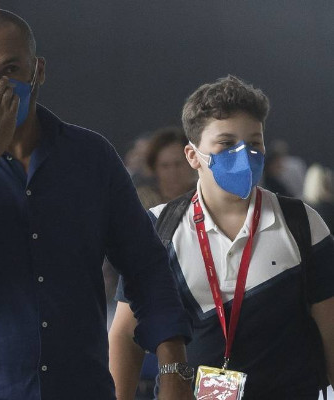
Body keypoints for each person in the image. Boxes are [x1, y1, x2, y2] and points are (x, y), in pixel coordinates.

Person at [0, 9, 194, 400]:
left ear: (37, 70)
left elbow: (146, 266)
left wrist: (173, 368)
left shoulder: (90, 156)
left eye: (10, 69)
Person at [109, 76, 334, 399]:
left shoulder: (302, 224)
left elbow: (330, 333)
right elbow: (125, 333)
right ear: (193, 156)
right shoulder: (159, 227)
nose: (244, 154)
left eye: (254, 143)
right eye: (226, 143)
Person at [136, 127, 196, 209]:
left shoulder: (206, 197)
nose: (173, 172)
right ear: (154, 168)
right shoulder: (141, 202)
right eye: (165, 166)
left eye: (178, 164)